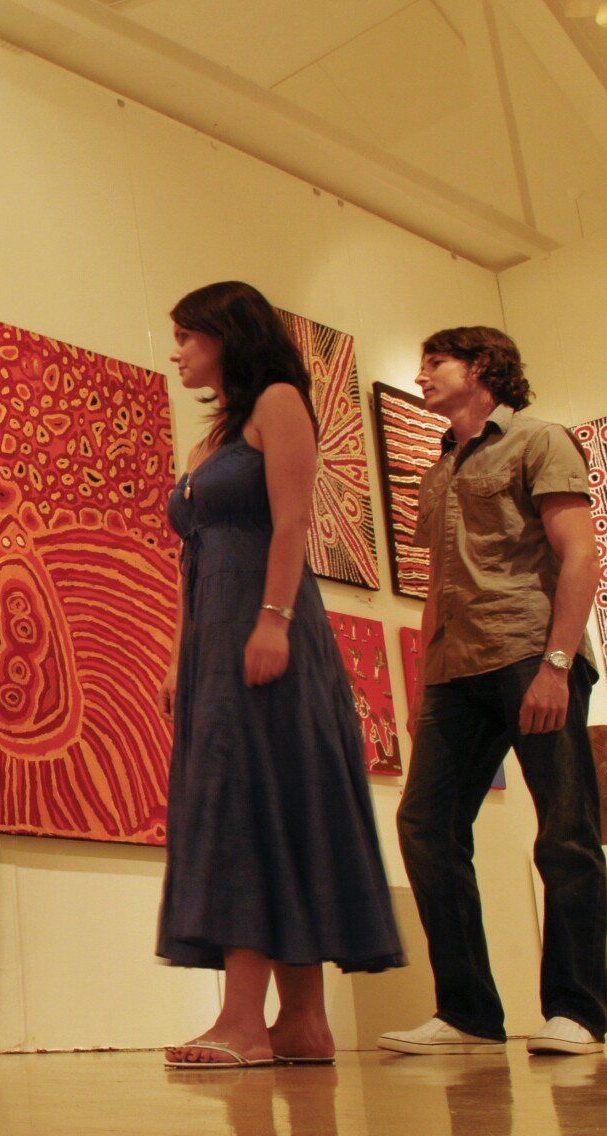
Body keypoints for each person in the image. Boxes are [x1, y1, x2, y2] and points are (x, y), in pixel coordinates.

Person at [158, 281, 404, 1069]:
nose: (178, 354)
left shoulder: (279, 403)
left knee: (255, 801)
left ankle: (244, 1020)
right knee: (256, 798)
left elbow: (294, 518)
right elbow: (192, 561)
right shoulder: (208, 445)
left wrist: (274, 621)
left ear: (228, 334)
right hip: (214, 640)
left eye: (189, 337)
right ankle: (302, 1024)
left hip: (267, 630)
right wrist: (178, 656)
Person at [380, 327, 607, 1057]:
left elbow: (580, 554)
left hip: (530, 655)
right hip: (457, 671)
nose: (421, 376)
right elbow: (437, 587)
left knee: (565, 832)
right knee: (425, 826)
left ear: (482, 368)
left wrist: (556, 663)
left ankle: (576, 1011)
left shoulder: (539, 441)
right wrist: (422, 686)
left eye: (434, 362)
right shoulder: (438, 471)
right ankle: (469, 1013)